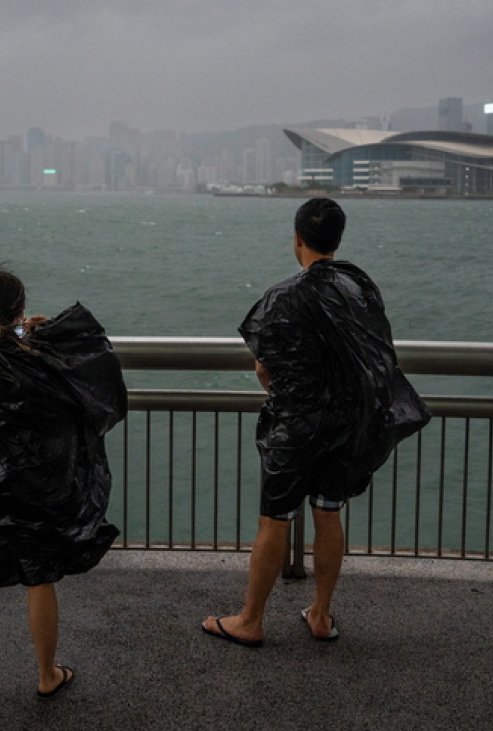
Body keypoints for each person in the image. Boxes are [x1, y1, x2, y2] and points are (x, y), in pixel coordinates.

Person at [203, 198, 430, 647]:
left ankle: (250, 621)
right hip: (347, 423)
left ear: (297, 239)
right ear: (338, 240)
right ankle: (321, 614)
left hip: (297, 427)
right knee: (328, 514)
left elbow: (266, 368)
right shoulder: (359, 287)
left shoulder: (283, 297)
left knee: (275, 521)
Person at [0, 265, 126, 699]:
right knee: (39, 576)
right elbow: (91, 382)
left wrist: (12, 328)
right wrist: (30, 333)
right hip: (34, 486)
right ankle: (46, 675)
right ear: (22, 307)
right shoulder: (39, 361)